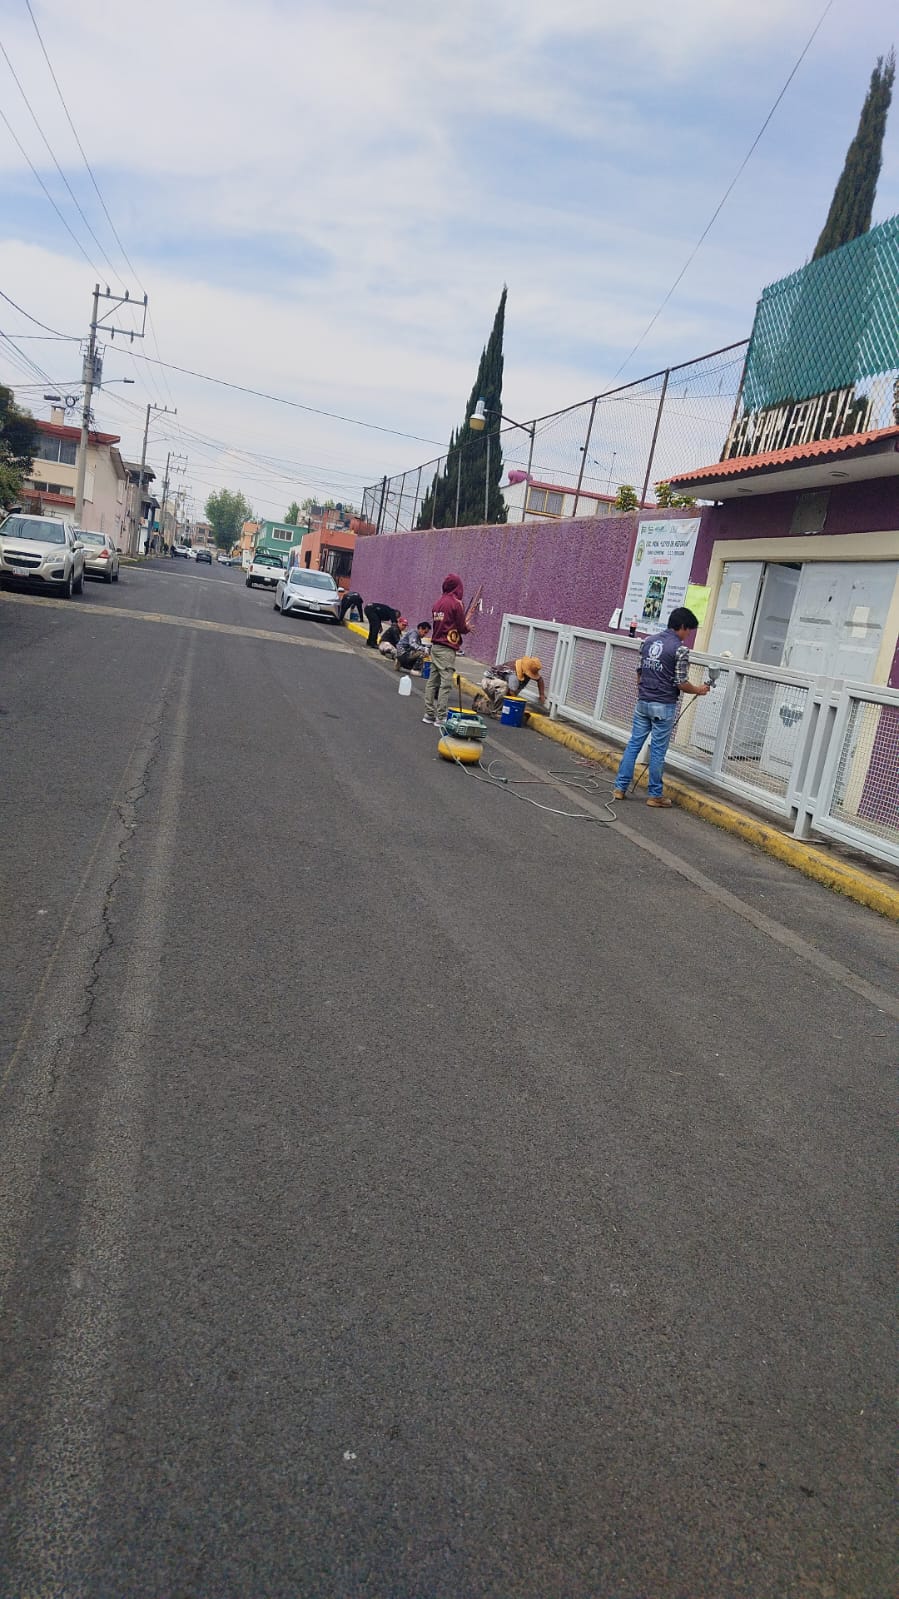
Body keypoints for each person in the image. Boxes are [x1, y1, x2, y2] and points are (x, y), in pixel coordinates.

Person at [612, 606, 709, 807]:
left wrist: (644, 691)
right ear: (682, 626)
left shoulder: (648, 641)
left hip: (643, 702)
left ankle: (620, 788)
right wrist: (698, 690)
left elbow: (639, 671)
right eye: (688, 630)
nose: (688, 635)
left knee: (633, 745)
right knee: (657, 751)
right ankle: (655, 795)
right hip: (664, 705)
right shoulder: (680, 650)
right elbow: (681, 682)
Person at [422, 574, 471, 726]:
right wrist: (467, 628)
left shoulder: (437, 603)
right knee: (446, 682)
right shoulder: (456, 604)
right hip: (447, 648)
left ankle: (429, 713)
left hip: (435, 646)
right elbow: (461, 627)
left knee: (432, 681)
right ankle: (441, 716)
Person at [473, 655, 545, 718]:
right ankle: (495, 712)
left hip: (497, 683)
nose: (530, 676)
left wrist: (542, 694)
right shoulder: (513, 675)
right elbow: (512, 693)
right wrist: (518, 708)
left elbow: (540, 679)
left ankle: (480, 704)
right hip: (489, 682)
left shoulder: (522, 668)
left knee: (508, 693)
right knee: (504, 687)